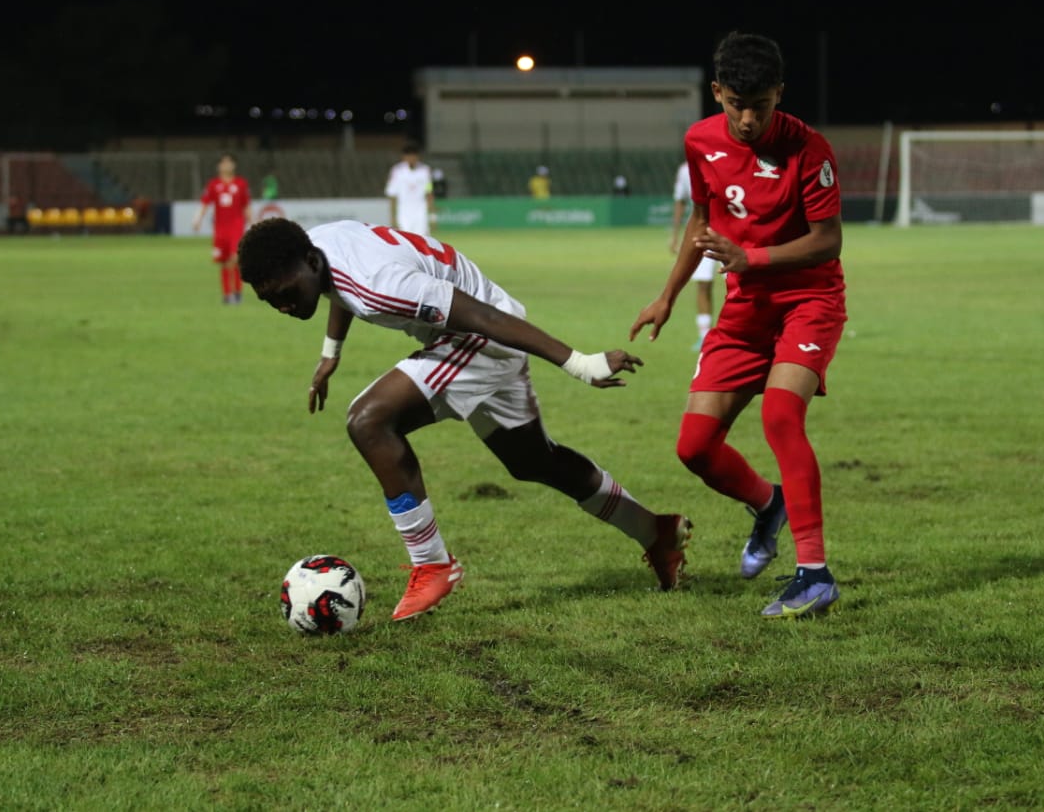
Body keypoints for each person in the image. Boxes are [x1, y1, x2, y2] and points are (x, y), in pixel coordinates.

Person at [238, 217, 692, 622]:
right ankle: (655, 530)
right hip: (477, 329)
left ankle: (431, 564)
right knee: (533, 461)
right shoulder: (318, 245)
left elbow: (479, 315)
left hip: (480, 334)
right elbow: (339, 288)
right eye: (270, 300)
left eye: (286, 293)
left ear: (310, 263)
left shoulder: (379, 282)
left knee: (368, 420)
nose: (283, 306)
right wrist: (330, 353)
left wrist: (579, 363)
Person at [629, 31, 845, 619]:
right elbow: (701, 223)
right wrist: (667, 296)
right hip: (745, 308)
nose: (749, 120)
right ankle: (768, 504)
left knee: (781, 415)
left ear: (780, 93)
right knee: (695, 446)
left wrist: (754, 258)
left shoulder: (810, 149)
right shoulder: (700, 141)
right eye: (737, 105)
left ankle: (814, 575)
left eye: (762, 106)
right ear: (718, 92)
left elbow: (828, 240)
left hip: (809, 300)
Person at [670, 159, 720, 351]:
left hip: (730, 232)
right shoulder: (685, 170)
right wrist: (675, 235)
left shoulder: (725, 160)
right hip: (702, 231)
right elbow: (680, 201)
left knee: (738, 284)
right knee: (703, 283)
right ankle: (704, 335)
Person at [193, 153, 253, 304]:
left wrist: (253, 223)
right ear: (218, 166)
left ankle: (237, 292)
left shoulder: (241, 184)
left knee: (235, 258)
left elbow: (246, 205)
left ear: (234, 165)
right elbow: (205, 203)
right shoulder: (213, 185)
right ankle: (227, 294)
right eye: (223, 163)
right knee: (225, 261)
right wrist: (197, 219)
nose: (226, 166)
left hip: (236, 226)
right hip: (220, 228)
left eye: (229, 162)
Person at [384, 142, 435, 236]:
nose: (411, 158)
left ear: (418, 156)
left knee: (422, 239)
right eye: (409, 156)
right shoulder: (397, 171)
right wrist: (393, 217)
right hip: (403, 212)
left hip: (421, 212)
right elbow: (392, 195)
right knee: (405, 239)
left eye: (414, 155)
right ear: (404, 157)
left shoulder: (425, 170)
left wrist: (432, 216)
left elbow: (429, 191)